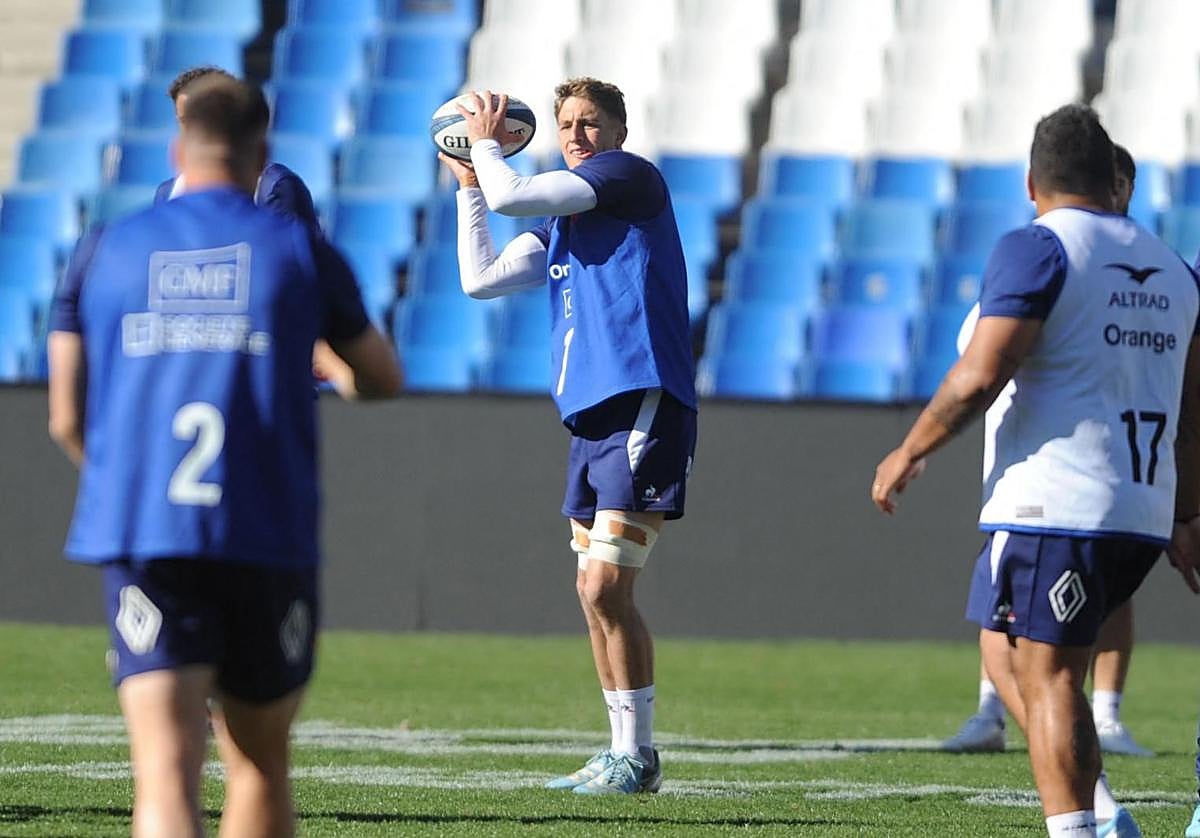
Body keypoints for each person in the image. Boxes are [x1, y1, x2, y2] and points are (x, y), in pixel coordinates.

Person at [46, 76, 401, 837]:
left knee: (166, 774)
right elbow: (380, 377)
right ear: (262, 154)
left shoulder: (105, 248)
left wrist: (126, 488)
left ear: (178, 148)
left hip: (147, 533)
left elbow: (67, 416)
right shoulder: (297, 247)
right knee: (259, 764)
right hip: (260, 529)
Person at [872, 104, 1200, 838]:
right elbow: (1193, 410)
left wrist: (911, 448)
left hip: (1059, 503)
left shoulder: (1039, 249)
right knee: (1002, 643)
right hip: (1138, 511)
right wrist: (1185, 516)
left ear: (1032, 181)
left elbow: (980, 374)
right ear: (1111, 180)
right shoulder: (1179, 272)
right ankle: (1105, 812)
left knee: (1049, 675)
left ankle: (1082, 827)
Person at [437, 77, 697, 795]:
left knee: (604, 583)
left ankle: (639, 757)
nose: (577, 135)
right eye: (566, 124)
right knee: (593, 593)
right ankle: (621, 752)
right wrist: (468, 186)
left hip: (642, 397)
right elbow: (481, 279)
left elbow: (517, 194)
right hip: (589, 414)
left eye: (590, 123)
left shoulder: (626, 178)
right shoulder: (565, 215)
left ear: (617, 131)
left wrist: (486, 143)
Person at [944, 143, 1152, 760]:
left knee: (1081, 618)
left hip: (1086, 474)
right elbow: (981, 354)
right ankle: (995, 711)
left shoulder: (1132, 266)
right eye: (1109, 181)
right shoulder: (1040, 262)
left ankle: (1104, 723)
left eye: (1125, 186)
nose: (1116, 195)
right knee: (1006, 615)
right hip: (1031, 476)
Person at [153, 65, 319, 229]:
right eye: (185, 120)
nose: (196, 129)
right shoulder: (167, 193)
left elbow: (294, 252)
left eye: (206, 118)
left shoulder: (275, 187)